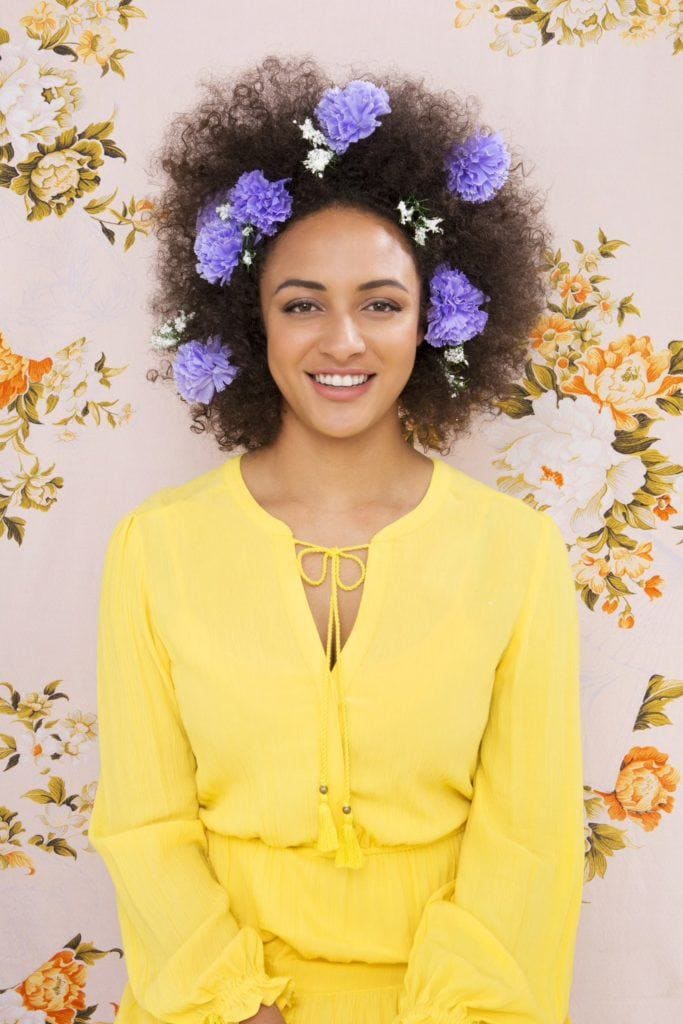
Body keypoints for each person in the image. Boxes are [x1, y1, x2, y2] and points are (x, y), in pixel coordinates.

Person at [88, 55, 585, 1024]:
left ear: (435, 320)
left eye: (381, 303)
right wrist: (242, 1007)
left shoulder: (514, 554)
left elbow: (529, 844)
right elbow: (143, 827)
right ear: (251, 322)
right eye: (302, 302)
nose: (342, 340)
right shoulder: (154, 548)